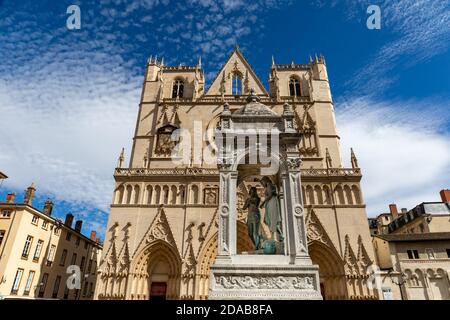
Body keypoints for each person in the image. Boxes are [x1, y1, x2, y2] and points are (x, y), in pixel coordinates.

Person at [260, 176, 283, 241]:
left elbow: (270, 195)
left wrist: (263, 203)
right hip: (270, 202)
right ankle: (277, 236)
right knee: (270, 220)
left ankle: (277, 236)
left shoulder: (269, 185)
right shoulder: (270, 186)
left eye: (262, 183)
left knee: (272, 219)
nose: (262, 185)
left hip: (271, 202)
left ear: (265, 181)